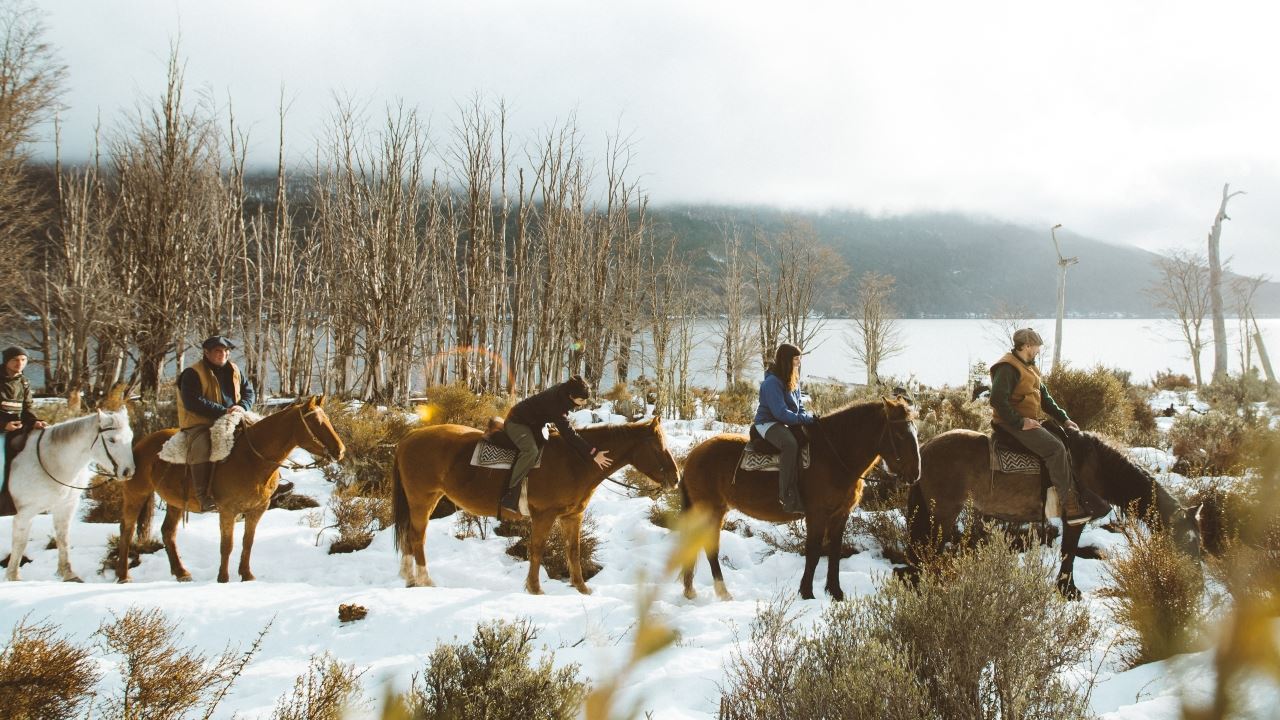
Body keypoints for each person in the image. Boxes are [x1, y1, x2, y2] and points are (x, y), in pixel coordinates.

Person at [989, 328, 1089, 526]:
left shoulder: (1029, 366)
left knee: (1063, 439)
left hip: (1027, 420)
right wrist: (1020, 422)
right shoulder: (1008, 367)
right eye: (1036, 347)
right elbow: (997, 399)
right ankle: (1069, 504)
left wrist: (1065, 419)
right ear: (1026, 346)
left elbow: (1045, 398)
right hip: (1010, 423)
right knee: (1055, 449)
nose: (1038, 350)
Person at [500, 375, 612, 516]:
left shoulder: (564, 393)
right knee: (531, 452)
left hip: (533, 423)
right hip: (517, 422)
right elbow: (569, 434)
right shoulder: (556, 404)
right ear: (571, 396)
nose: (583, 403)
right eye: (581, 400)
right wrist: (593, 453)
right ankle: (511, 493)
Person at [177, 336, 257, 511]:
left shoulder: (235, 369)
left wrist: (242, 406)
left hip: (234, 417)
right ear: (207, 352)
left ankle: (270, 484)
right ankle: (203, 496)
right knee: (202, 446)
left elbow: (249, 392)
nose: (224, 354)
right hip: (201, 422)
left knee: (261, 435)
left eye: (226, 351)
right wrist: (223, 411)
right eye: (218, 351)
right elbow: (192, 402)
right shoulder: (192, 373)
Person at [753, 343, 818, 513]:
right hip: (768, 422)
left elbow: (799, 406)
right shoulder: (772, 382)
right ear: (786, 360)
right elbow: (780, 413)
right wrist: (804, 419)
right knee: (790, 444)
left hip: (786, 421)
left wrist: (807, 419)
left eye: (799, 358)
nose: (798, 362)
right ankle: (787, 496)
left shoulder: (793, 377)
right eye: (796, 359)